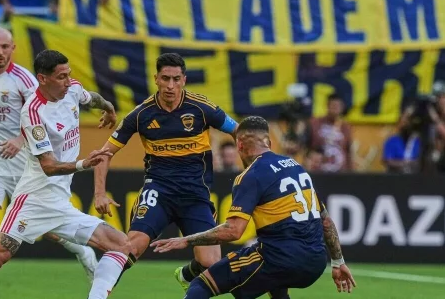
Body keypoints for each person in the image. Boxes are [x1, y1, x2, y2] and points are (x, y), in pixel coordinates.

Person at [0, 50, 133, 299]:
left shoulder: (71, 89)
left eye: (68, 74)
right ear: (42, 78)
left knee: (120, 245)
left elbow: (89, 98)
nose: (68, 80)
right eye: (61, 77)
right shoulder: (33, 113)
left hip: (61, 204)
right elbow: (49, 167)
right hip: (33, 200)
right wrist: (84, 163)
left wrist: (108, 107)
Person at [0, 29, 98, 299]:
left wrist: (20, 140)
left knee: (50, 230)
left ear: (13, 48)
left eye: (5, 47)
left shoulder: (23, 79)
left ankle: (82, 250)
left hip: (24, 166)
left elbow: (39, 111)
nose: (0, 52)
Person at [150, 116, 356, 299]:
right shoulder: (296, 167)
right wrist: (338, 261)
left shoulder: (251, 175)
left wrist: (186, 240)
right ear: (269, 142)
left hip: (280, 258)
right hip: (316, 262)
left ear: (239, 145)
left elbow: (233, 231)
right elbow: (325, 220)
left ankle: (190, 276)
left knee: (202, 284)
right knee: (274, 284)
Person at [92, 53, 240, 292]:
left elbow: (240, 132)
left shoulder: (202, 108)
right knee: (131, 246)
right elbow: (104, 154)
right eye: (165, 78)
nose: (171, 85)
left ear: (184, 80)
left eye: (176, 79)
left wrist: (250, 166)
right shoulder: (141, 114)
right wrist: (99, 193)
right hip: (158, 191)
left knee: (211, 262)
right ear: (156, 79)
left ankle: (185, 274)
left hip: (194, 195)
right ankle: (97, 293)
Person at [308, 94, 353, 172]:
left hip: (340, 172)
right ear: (327, 106)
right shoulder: (315, 123)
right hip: (319, 171)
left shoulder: (345, 127)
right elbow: (307, 147)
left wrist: (350, 171)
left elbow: (348, 150)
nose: (335, 109)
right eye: (333, 106)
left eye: (338, 106)